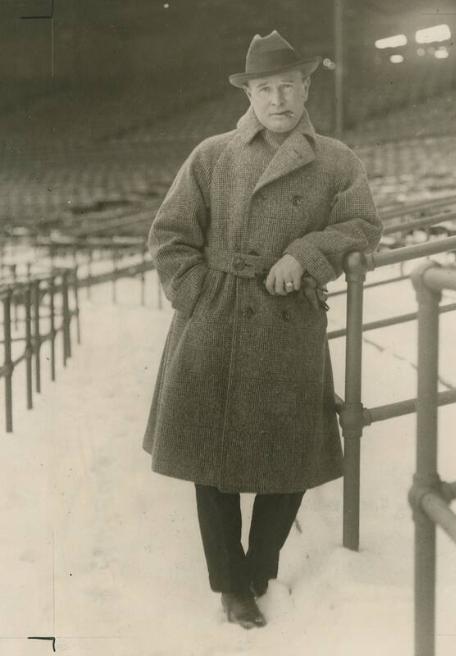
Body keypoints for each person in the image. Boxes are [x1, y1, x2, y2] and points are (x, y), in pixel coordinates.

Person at [143, 30, 382, 629]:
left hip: (289, 323)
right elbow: (169, 236)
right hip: (214, 320)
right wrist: (199, 295)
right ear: (249, 94)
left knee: (292, 452)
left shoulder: (336, 159)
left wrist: (306, 253)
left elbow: (361, 225)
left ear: (306, 88)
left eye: (287, 86)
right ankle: (232, 586)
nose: (277, 99)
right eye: (264, 88)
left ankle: (259, 565)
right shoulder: (212, 154)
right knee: (212, 459)